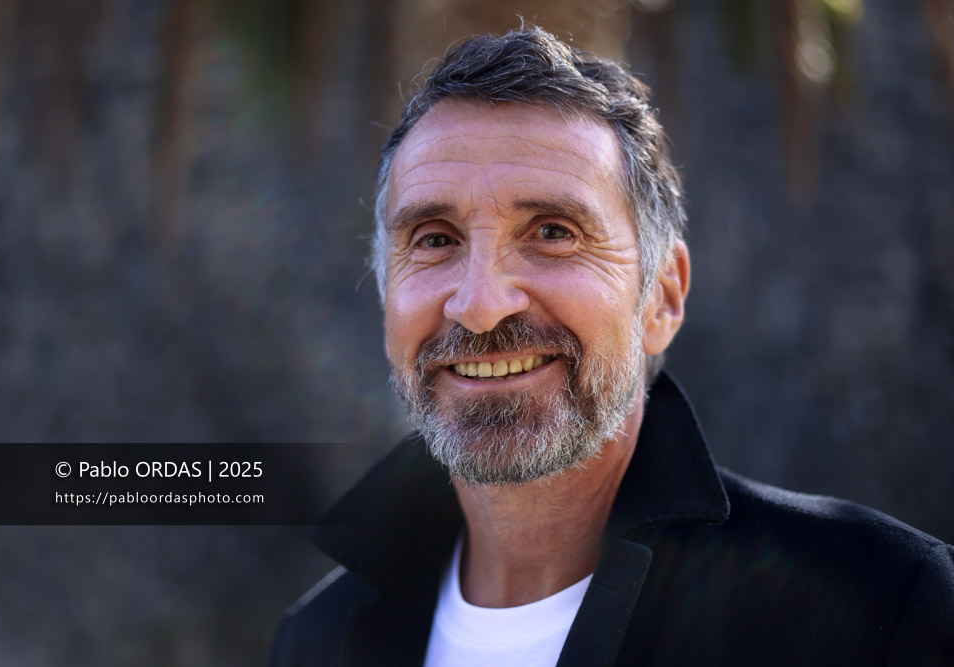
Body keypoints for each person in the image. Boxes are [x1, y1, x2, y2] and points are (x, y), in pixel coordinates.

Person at [268, 25, 953, 666]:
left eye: (553, 232)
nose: (479, 305)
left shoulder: (883, 608)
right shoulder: (316, 641)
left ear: (662, 297)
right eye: (436, 239)